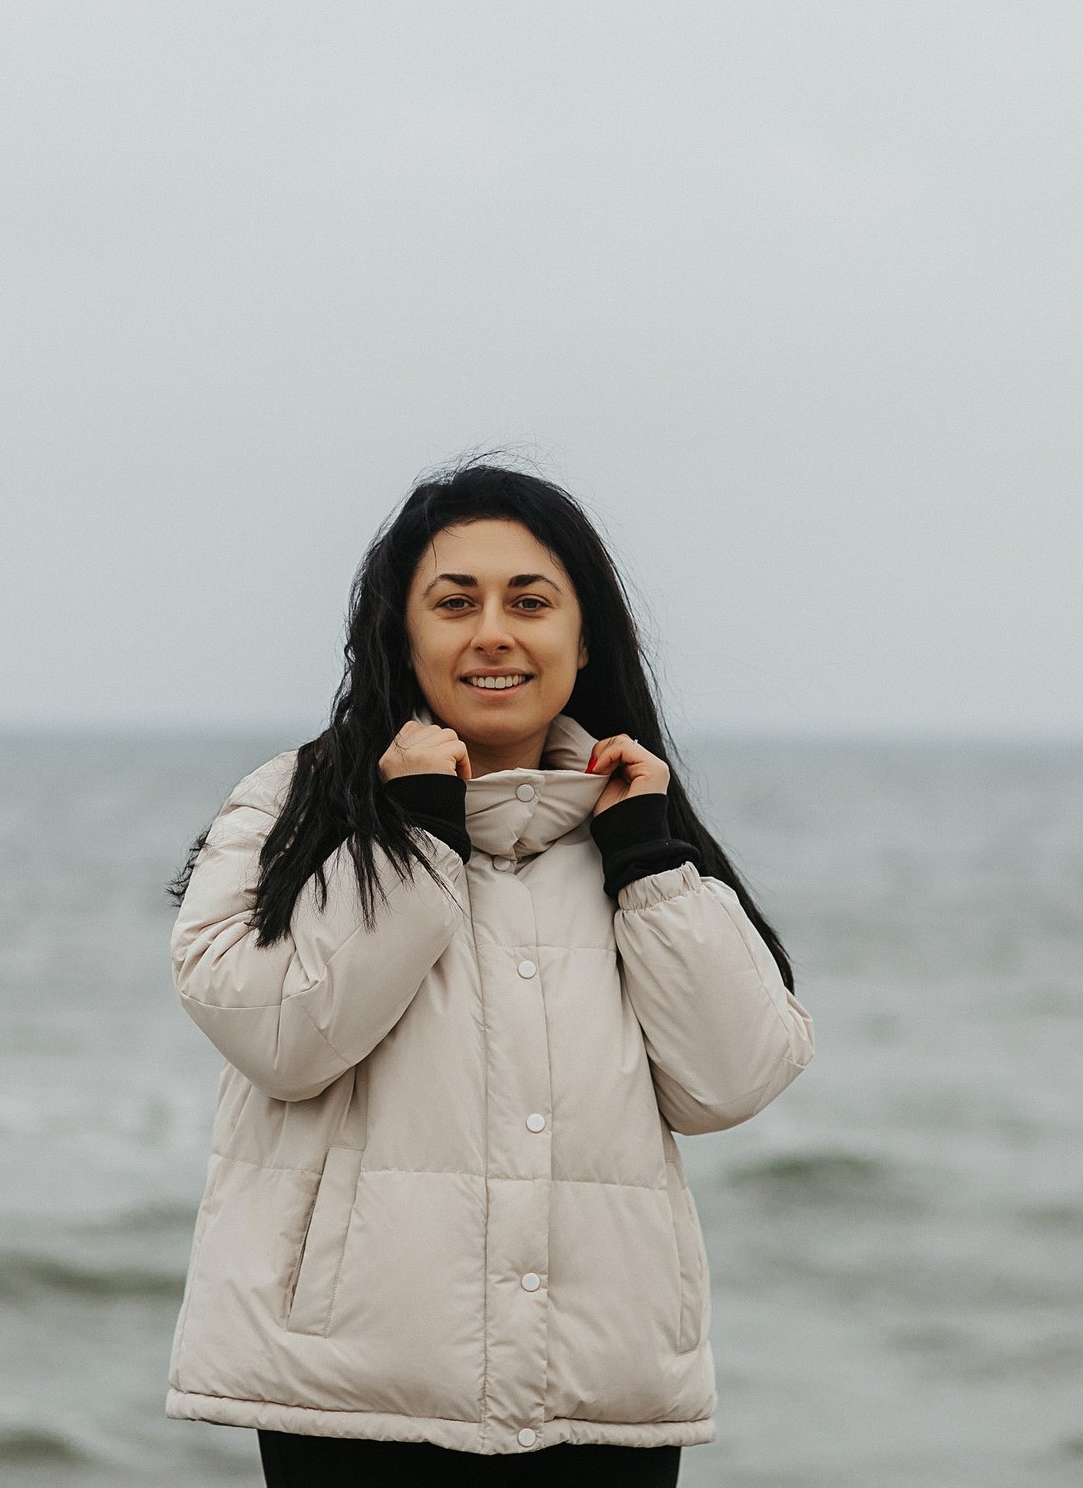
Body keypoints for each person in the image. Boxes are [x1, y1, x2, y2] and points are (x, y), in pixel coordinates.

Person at [164, 461, 814, 1486]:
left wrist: (647, 856)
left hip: (600, 1401)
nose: (494, 631)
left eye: (530, 600)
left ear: (583, 635)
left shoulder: (631, 827)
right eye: (454, 601)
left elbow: (732, 1077)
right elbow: (278, 1036)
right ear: (399, 632)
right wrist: (415, 837)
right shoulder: (291, 805)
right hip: (350, 1399)